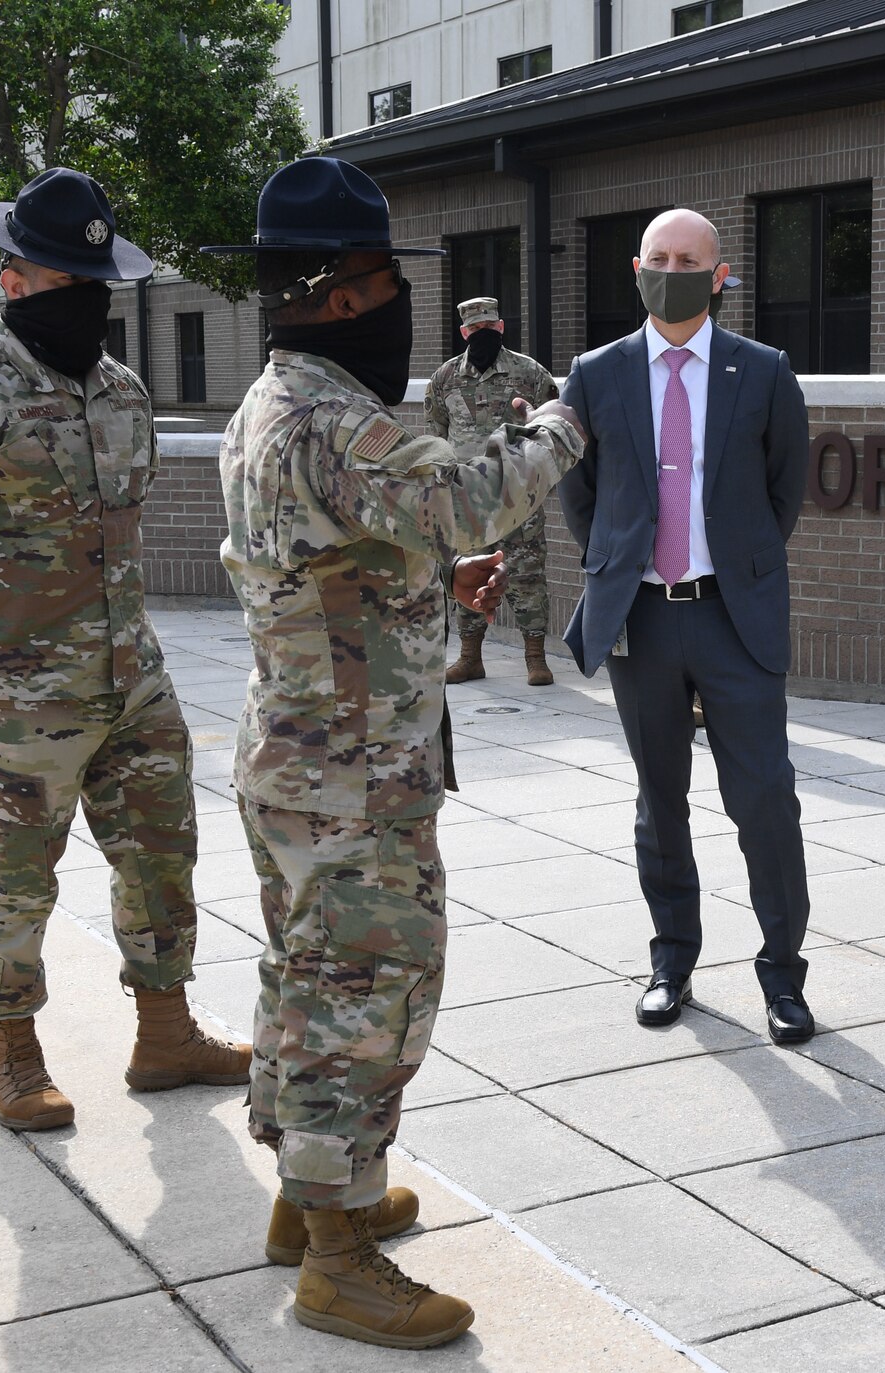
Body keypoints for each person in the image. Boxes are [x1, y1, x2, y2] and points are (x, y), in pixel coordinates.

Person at [203, 156, 584, 1350]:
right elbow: (471, 494)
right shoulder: (332, 416)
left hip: (304, 751)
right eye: (382, 276)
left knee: (303, 975)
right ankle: (337, 1254)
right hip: (351, 771)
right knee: (367, 990)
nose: (399, 302)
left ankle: (312, 1192)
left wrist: (425, 580)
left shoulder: (271, 399)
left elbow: (338, 563)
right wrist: (571, 418)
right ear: (337, 289)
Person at [0, 168, 247, 1133]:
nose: (86, 297)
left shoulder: (121, 392)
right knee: (18, 873)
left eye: (97, 278)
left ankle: (165, 1034)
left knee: (163, 856)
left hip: (134, 680)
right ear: (13, 279)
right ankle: (14, 1053)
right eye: (64, 278)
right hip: (16, 693)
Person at [558, 208, 815, 1045]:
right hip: (641, 619)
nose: (673, 270)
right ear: (637, 267)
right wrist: (627, 563)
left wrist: (732, 565)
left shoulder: (764, 370)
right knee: (658, 801)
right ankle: (672, 960)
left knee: (766, 800)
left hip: (732, 619)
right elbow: (582, 496)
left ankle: (783, 975)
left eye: (689, 260)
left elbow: (782, 492)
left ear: (720, 274)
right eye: (659, 258)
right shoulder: (595, 373)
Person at [430, 297, 561, 686]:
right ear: (463, 333)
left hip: (518, 497)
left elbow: (549, 425)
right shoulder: (445, 378)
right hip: (468, 500)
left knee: (528, 575)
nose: (481, 334)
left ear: (501, 328)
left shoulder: (530, 373)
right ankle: (470, 656)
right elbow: (437, 434)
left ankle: (536, 658)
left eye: (488, 328)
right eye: (474, 330)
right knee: (468, 573)